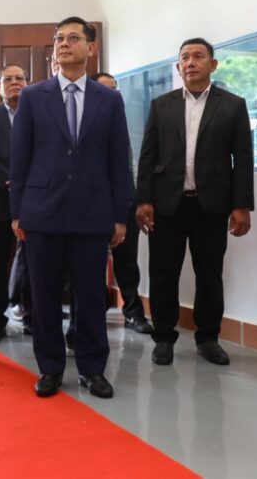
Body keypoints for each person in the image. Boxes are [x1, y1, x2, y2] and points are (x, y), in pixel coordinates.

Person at [10, 17, 130, 399]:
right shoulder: (33, 96)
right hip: (42, 211)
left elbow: (119, 159)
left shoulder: (109, 99)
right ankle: (50, 368)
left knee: (91, 296)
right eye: (59, 38)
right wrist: (17, 212)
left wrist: (120, 215)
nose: (64, 43)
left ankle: (93, 369)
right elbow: (20, 158)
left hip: (92, 212)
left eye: (73, 38)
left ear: (90, 48)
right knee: (44, 296)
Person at [134, 40, 254, 368]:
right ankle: (163, 338)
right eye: (184, 58)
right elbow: (147, 156)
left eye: (198, 56)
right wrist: (143, 200)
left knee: (210, 275)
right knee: (163, 274)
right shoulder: (161, 105)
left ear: (212, 65)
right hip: (166, 206)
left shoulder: (233, 105)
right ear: (178, 67)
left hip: (211, 206)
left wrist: (241, 205)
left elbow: (243, 159)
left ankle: (208, 338)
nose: (190, 62)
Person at [91, 72, 154, 335]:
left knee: (127, 262)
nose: (112, 94)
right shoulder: (84, 122)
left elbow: (127, 168)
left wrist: (134, 201)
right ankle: (93, 313)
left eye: (114, 89)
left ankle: (133, 312)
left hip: (123, 203)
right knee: (90, 263)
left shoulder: (121, 122)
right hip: (92, 205)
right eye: (105, 88)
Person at [0, 64, 28, 345]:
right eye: (8, 79)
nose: (15, 83)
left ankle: (32, 314)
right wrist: (7, 180)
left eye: (19, 78)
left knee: (34, 262)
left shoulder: (40, 113)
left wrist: (26, 181)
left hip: (35, 198)